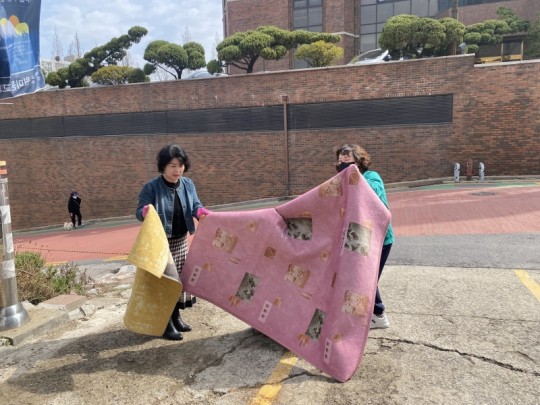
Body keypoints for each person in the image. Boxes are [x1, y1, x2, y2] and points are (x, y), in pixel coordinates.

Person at [135, 145, 211, 341]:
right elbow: (139, 212)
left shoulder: (187, 184)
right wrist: (145, 212)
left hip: (181, 241)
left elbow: (195, 205)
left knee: (178, 284)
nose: (177, 170)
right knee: (165, 284)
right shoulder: (151, 187)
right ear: (163, 166)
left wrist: (199, 212)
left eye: (180, 165)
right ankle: (165, 323)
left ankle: (176, 317)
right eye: (172, 166)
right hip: (160, 245)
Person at [335, 144, 394, 329]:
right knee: (360, 276)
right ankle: (368, 313)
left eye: (347, 160)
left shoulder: (371, 177)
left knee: (367, 277)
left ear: (358, 161)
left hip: (379, 239)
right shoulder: (343, 182)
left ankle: (378, 314)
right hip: (357, 239)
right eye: (339, 161)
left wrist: (353, 177)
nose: (342, 165)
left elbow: (373, 194)